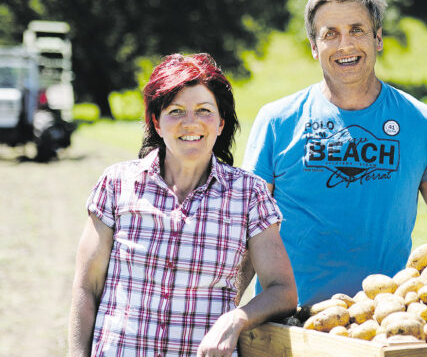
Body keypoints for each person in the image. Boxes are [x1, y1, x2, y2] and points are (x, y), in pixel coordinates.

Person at [241, 0, 427, 306]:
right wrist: (216, 314)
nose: (346, 46)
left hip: (381, 319)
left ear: (378, 38)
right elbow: (245, 231)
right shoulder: (277, 121)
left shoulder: (422, 122)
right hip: (289, 320)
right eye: (330, 34)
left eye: (357, 30)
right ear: (314, 46)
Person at [68, 53, 297, 357]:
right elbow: (87, 288)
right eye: (176, 111)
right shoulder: (117, 184)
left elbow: (281, 290)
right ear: (156, 123)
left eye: (204, 110)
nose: (191, 122)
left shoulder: (248, 194)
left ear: (220, 123)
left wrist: (236, 318)